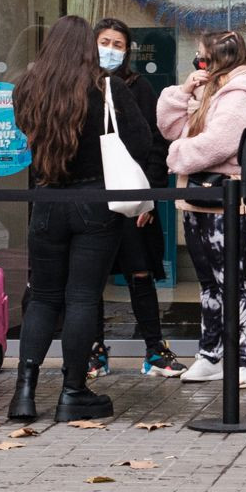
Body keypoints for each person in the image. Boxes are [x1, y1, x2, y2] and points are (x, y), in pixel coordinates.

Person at [8, 14, 154, 422]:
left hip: (46, 200)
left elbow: (26, 131)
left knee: (42, 297)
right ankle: (73, 391)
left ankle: (24, 392)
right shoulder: (106, 88)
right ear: (88, 48)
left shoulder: (29, 88)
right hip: (95, 201)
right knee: (82, 298)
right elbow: (142, 141)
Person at [158, 30, 246, 388]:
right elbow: (169, 127)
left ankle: (245, 357)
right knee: (208, 283)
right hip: (196, 198)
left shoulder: (242, 93)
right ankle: (210, 353)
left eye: (202, 56)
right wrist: (184, 90)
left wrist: (175, 157)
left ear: (219, 59)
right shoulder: (208, 90)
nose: (198, 62)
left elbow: (218, 144)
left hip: (227, 203)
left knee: (231, 281)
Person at [89, 19, 183, 380]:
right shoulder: (80, 86)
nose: (110, 49)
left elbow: (155, 144)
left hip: (133, 198)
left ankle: (155, 349)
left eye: (118, 44)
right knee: (91, 276)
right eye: (104, 41)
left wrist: (148, 198)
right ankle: (94, 350)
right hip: (93, 198)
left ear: (128, 51)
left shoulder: (138, 87)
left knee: (140, 273)